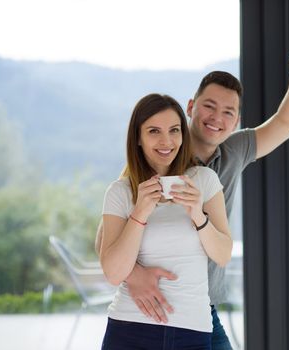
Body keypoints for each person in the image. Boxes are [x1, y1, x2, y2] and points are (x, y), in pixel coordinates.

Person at [97, 40, 289, 349]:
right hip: (150, 309)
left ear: (236, 121)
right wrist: (134, 275)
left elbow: (287, 121)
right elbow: (105, 241)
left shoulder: (232, 153)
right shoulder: (151, 162)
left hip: (200, 309)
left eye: (228, 112)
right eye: (209, 106)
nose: (217, 118)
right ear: (191, 107)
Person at [100, 93, 233, 349]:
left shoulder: (204, 180)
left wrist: (197, 213)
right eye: (153, 131)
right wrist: (139, 214)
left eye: (174, 130)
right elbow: (113, 273)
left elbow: (223, 255)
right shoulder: (120, 192)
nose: (166, 141)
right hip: (128, 329)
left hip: (192, 332)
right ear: (137, 138)